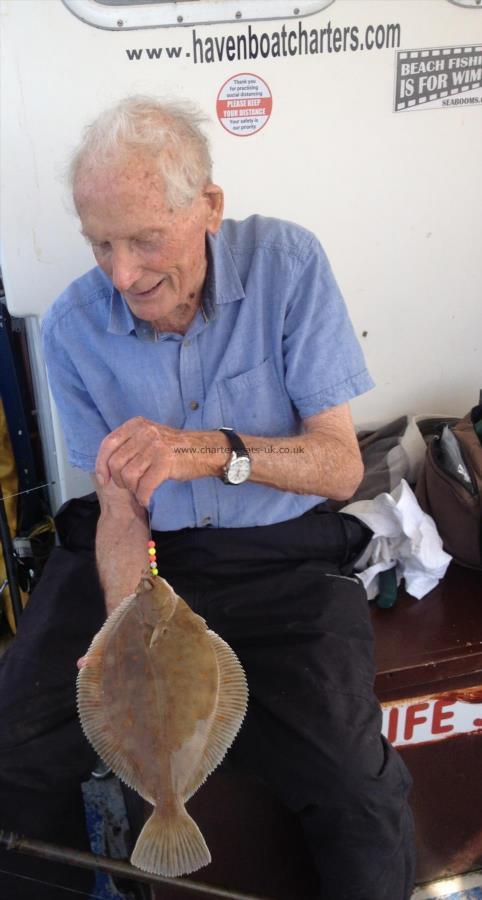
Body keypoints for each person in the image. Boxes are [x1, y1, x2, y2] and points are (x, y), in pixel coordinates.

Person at [7, 96, 415, 899]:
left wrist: (207, 451)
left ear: (210, 208)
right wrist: (129, 625)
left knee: (355, 787)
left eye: (146, 238)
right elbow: (121, 508)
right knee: (13, 754)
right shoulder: (71, 328)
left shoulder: (288, 266)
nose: (121, 274)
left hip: (279, 554)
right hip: (150, 560)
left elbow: (338, 468)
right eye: (101, 245)